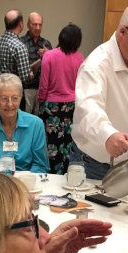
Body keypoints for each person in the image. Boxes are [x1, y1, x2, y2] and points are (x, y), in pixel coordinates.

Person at [70, 2, 128, 180]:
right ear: (123, 32)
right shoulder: (96, 64)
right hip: (96, 164)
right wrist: (108, 135)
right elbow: (88, 109)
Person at [0, 73, 49, 173]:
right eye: (4, 98)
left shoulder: (35, 125)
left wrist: (24, 181)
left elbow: (41, 165)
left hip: (26, 184)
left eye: (15, 98)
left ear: (21, 98)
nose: (10, 104)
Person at [38, 23, 84, 174]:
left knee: (52, 144)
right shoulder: (80, 58)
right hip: (72, 105)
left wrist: (40, 102)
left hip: (52, 105)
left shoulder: (49, 56)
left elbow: (43, 85)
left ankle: (52, 175)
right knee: (68, 143)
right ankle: (66, 173)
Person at [21, 12, 53, 115]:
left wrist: (48, 55)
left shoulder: (46, 43)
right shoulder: (21, 42)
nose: (38, 27)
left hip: (42, 89)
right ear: (28, 25)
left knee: (39, 120)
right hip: (26, 89)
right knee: (24, 119)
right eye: (35, 24)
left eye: (40, 24)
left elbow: (54, 67)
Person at [0, 10, 31, 86]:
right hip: (11, 93)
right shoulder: (20, 47)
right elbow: (25, 79)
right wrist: (31, 74)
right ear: (20, 24)